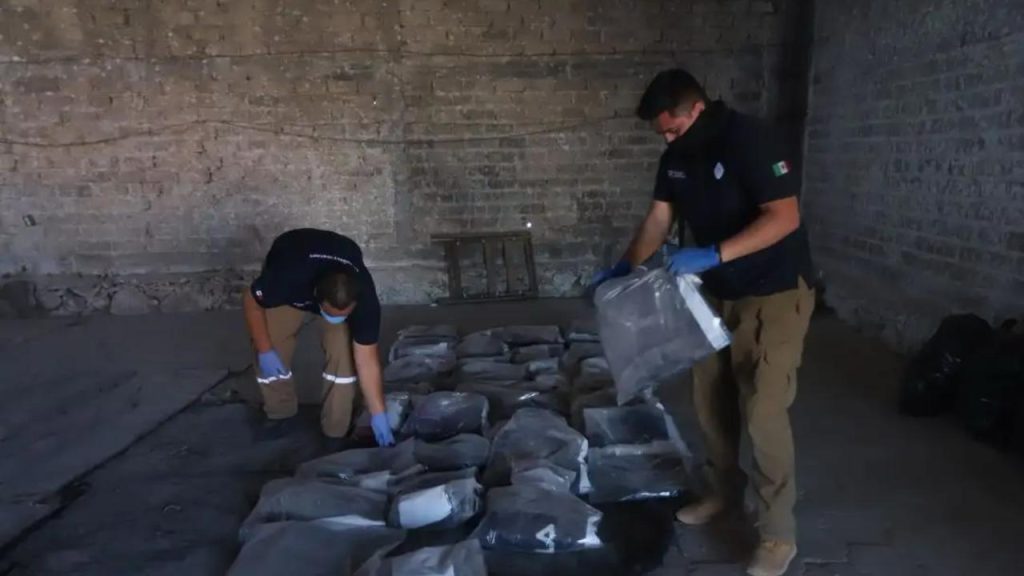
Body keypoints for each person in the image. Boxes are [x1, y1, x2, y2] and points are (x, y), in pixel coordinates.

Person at [593, 69, 815, 576]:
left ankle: (777, 533)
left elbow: (784, 217)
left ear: (697, 109)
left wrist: (714, 253)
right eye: (661, 134)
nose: (668, 140)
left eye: (673, 129)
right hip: (713, 293)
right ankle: (723, 492)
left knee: (763, 409)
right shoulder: (675, 156)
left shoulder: (751, 140)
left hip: (773, 291)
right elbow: (659, 219)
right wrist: (625, 267)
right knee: (710, 397)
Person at [242, 228, 394, 448]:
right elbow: (251, 302)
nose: (337, 319)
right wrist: (265, 350)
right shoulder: (286, 279)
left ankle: (335, 428)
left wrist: (378, 413)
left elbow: (367, 359)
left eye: (344, 315)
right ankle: (280, 412)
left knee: (344, 356)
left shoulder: (365, 300)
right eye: (332, 314)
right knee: (269, 341)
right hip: (294, 263)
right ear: (316, 299)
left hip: (337, 262)